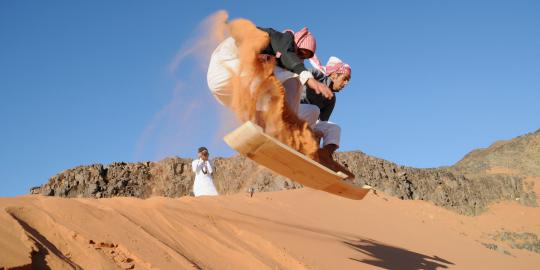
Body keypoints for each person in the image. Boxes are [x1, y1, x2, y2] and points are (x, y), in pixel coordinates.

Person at [207, 25, 334, 116]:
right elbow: (287, 52)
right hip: (227, 66)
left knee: (276, 92)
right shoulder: (282, 38)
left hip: (226, 91)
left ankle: (266, 130)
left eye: (304, 58)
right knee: (293, 80)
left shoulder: (277, 60)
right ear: (296, 43)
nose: (300, 59)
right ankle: (288, 126)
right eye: (300, 53)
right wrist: (308, 78)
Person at [299, 56, 354, 179]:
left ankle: (323, 156)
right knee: (314, 110)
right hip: (291, 113)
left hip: (307, 125)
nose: (346, 83)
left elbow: (321, 123)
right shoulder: (316, 75)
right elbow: (295, 78)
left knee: (334, 129)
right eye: (345, 79)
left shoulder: (332, 99)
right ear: (334, 75)